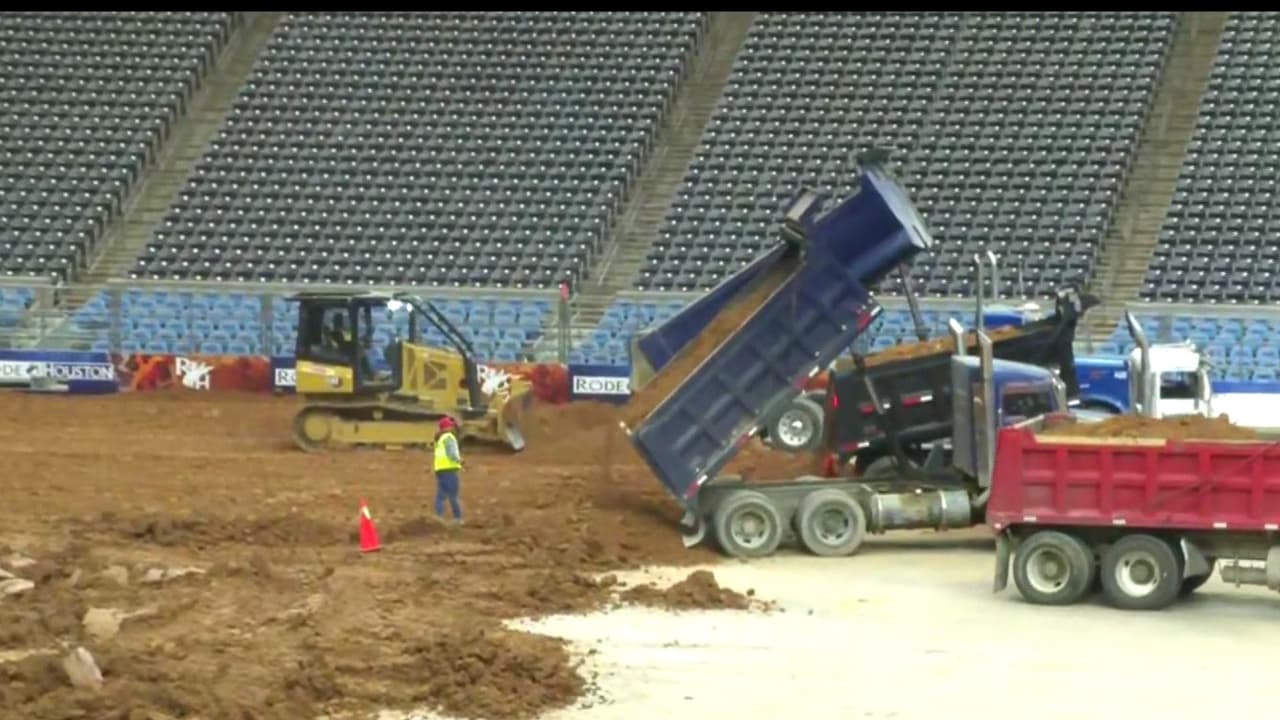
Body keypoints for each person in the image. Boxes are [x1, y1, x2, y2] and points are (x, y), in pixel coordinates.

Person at [432, 416, 464, 525]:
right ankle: (457, 518)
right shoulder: (449, 437)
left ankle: (438, 517)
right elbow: (451, 453)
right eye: (451, 426)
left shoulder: (439, 438)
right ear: (447, 427)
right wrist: (460, 460)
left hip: (440, 470)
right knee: (453, 495)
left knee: (440, 496)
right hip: (449, 469)